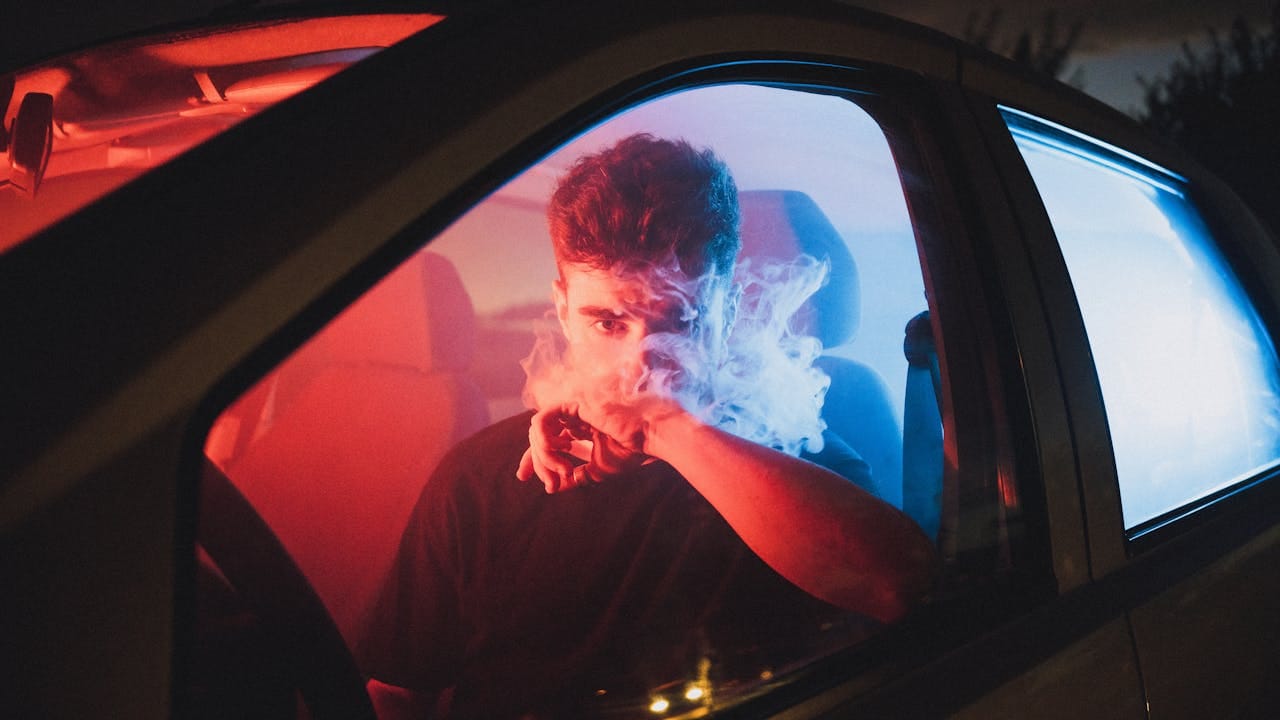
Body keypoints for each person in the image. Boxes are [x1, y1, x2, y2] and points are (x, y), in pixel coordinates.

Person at [359, 134, 937, 719]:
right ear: (562, 310)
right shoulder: (481, 474)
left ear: (728, 311)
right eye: (607, 323)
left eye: (679, 321)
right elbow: (399, 692)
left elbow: (899, 586)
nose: (640, 364)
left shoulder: (795, 458)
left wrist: (663, 428)